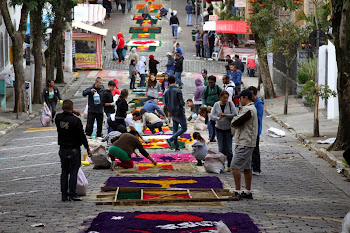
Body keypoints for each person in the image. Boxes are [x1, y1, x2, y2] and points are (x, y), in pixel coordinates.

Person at [55, 100, 92, 201]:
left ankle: (64, 194)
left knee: (64, 172)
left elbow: (64, 114)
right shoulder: (76, 121)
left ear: (62, 108)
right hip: (74, 150)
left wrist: (70, 111)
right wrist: (88, 148)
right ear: (72, 108)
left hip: (63, 149)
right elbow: (82, 137)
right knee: (73, 172)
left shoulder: (58, 118)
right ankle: (72, 193)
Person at [230, 89, 258, 199]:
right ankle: (247, 191)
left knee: (235, 166)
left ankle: (237, 191)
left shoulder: (248, 109)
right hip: (246, 141)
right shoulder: (249, 108)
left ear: (245, 98)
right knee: (247, 167)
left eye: (240, 98)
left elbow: (236, 122)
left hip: (245, 142)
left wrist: (233, 120)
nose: (239, 100)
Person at [211, 91, 237, 171]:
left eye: (227, 98)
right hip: (219, 129)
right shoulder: (216, 104)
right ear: (220, 97)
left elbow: (235, 114)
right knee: (221, 149)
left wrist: (226, 115)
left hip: (228, 130)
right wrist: (218, 118)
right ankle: (221, 165)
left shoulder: (230, 104)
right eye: (224, 98)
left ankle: (229, 165)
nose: (225, 99)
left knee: (229, 149)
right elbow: (212, 115)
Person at [164, 75, 188, 151]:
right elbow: (182, 102)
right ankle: (170, 139)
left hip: (172, 111)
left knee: (175, 129)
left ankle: (177, 146)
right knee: (184, 128)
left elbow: (166, 102)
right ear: (175, 81)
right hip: (179, 111)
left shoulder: (167, 91)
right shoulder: (178, 90)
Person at [248, 86, 264, 175]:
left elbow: (256, 116)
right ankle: (250, 166)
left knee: (255, 150)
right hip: (249, 130)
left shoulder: (259, 104)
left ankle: (257, 168)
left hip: (256, 130)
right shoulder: (250, 103)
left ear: (255, 94)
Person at [202, 75, 222, 142]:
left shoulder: (218, 88)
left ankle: (217, 135)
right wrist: (204, 105)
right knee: (210, 122)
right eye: (209, 82)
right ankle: (211, 136)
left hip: (217, 107)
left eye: (212, 82)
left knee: (217, 122)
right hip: (209, 107)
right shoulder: (206, 89)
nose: (210, 84)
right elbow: (203, 97)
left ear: (215, 82)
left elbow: (222, 96)